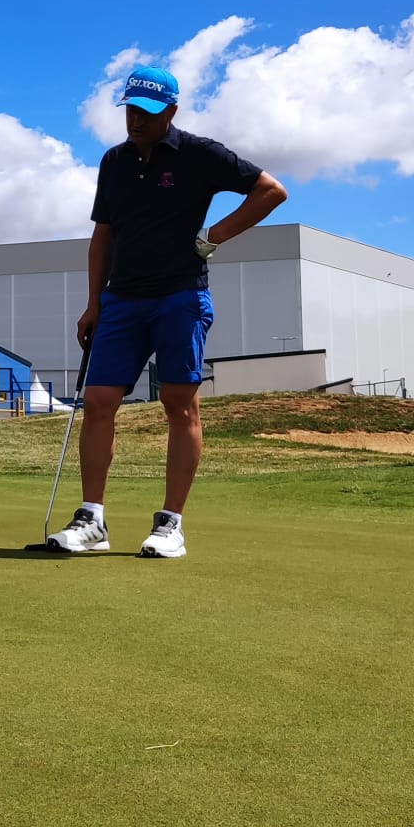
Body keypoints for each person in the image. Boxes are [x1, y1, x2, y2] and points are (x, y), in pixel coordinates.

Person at [47, 64, 287, 559]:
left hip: (181, 296)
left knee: (179, 403)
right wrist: (94, 303)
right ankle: (92, 520)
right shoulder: (113, 162)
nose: (137, 120)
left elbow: (271, 191)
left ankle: (170, 525)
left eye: (148, 112)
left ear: (171, 112)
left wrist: (213, 237)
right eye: (131, 110)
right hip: (121, 301)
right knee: (98, 403)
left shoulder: (201, 154)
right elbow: (103, 236)